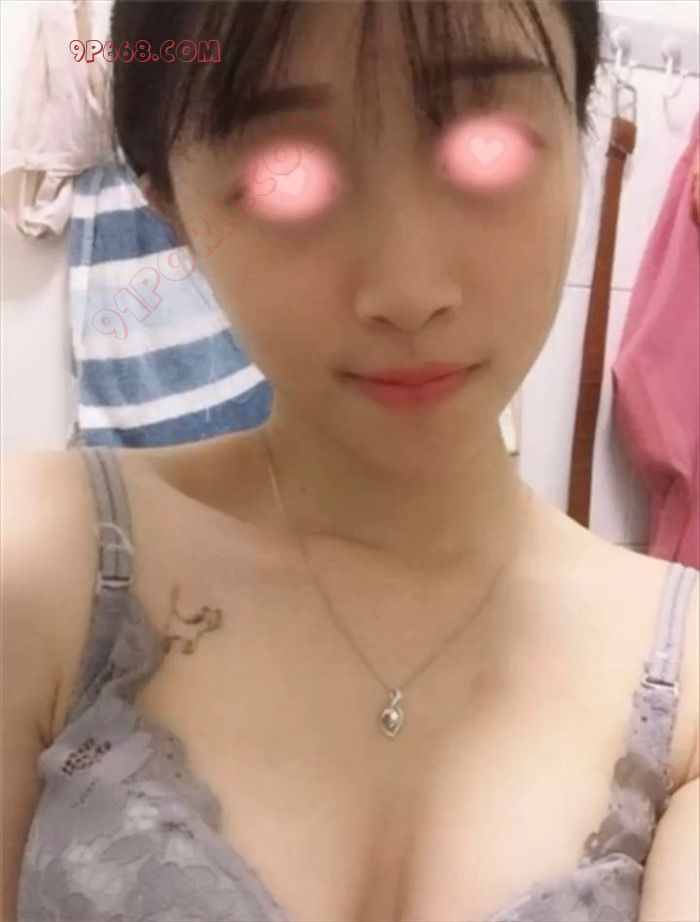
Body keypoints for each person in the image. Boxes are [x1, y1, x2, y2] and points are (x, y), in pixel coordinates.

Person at [3, 2, 698, 921]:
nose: (407, 291)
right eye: (284, 171)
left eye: (488, 146)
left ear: (579, 130)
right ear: (169, 205)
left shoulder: (684, 684)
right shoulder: (38, 563)